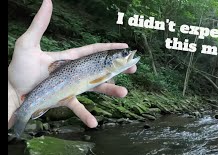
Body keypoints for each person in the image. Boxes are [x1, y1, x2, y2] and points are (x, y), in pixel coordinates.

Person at [8, 0, 137, 129]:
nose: (128, 55)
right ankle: (22, 115)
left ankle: (20, 118)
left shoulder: (108, 71)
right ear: (110, 60)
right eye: (125, 54)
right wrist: (12, 90)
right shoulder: (106, 70)